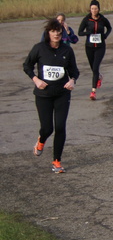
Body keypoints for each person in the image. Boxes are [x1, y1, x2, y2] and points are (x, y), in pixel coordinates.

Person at [24, 18, 80, 173]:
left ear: (62, 33)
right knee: (47, 128)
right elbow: (27, 65)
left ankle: (57, 161)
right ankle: (41, 140)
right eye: (53, 31)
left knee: (60, 127)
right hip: (44, 94)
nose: (56, 34)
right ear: (48, 33)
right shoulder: (39, 48)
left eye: (59, 32)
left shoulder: (67, 50)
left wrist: (73, 81)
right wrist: (36, 80)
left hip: (62, 94)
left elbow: (74, 71)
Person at [78, 0, 112, 101]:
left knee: (96, 67)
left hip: (100, 47)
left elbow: (109, 28)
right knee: (93, 68)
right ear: (90, 9)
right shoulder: (86, 20)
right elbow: (79, 32)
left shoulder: (103, 19)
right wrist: (87, 33)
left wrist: (105, 35)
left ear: (98, 9)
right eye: (92, 8)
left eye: (96, 8)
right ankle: (99, 76)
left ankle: (93, 91)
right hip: (89, 47)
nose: (94, 10)